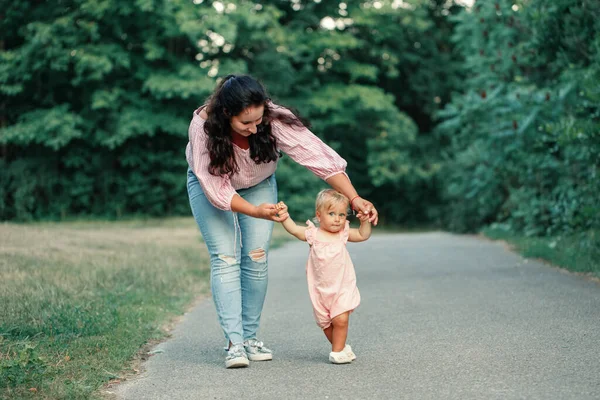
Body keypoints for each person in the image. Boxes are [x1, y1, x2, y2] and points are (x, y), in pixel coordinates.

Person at [186, 74, 378, 368]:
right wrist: (255, 211)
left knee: (256, 257)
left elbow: (317, 157)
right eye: (245, 124)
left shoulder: (274, 119)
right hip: (210, 187)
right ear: (226, 114)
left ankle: (249, 338)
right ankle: (235, 344)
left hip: (259, 183)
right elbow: (216, 188)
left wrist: (354, 199)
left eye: (258, 121)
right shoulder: (203, 127)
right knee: (225, 257)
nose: (253, 128)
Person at [276, 190, 371, 364]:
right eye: (332, 214)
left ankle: (336, 353)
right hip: (320, 290)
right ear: (319, 216)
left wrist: (365, 222)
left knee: (340, 319)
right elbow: (295, 230)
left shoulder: (343, 233)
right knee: (327, 325)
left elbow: (363, 235)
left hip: (342, 286)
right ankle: (341, 347)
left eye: (342, 215)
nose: (337, 219)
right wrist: (284, 216)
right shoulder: (313, 234)